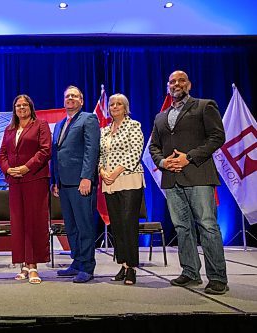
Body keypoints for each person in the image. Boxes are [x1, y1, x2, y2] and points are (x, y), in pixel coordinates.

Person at [149, 70, 228, 295]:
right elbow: (154, 146)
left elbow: (217, 137)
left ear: (189, 84)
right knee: (182, 227)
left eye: (181, 80)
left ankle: (217, 277)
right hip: (172, 178)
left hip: (198, 175)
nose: (176, 84)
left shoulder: (204, 106)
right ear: (167, 86)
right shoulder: (160, 117)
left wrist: (189, 157)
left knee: (207, 226)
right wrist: (163, 162)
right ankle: (190, 272)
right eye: (172, 81)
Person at [0, 95, 51, 284]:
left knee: (34, 222)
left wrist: (26, 167)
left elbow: (45, 150)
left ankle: (34, 266)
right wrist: (8, 169)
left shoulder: (41, 125)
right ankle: (22, 265)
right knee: (19, 223)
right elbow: (2, 154)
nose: (21, 108)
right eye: (18, 106)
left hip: (34, 178)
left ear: (31, 107)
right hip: (15, 181)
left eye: (24, 105)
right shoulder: (9, 129)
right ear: (14, 109)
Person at [50, 85, 100, 283]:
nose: (70, 98)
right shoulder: (61, 124)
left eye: (74, 96)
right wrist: (55, 181)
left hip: (81, 182)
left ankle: (87, 266)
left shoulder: (88, 119)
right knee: (71, 226)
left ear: (81, 100)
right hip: (63, 183)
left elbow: (91, 149)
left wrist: (87, 177)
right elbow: (56, 154)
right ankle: (77, 261)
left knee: (84, 225)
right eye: (67, 96)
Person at [98, 93, 145, 285]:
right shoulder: (104, 130)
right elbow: (99, 154)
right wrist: (102, 171)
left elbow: (135, 152)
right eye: (112, 104)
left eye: (119, 104)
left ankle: (132, 267)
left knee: (128, 223)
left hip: (128, 179)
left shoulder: (134, 126)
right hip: (109, 182)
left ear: (126, 108)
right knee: (116, 224)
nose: (114, 107)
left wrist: (115, 172)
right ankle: (123, 264)